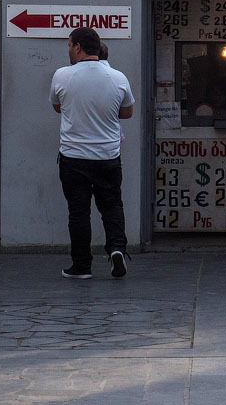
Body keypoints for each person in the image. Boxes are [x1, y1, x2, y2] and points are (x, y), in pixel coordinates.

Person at [50, 27, 135, 279]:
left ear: (77, 47)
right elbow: (127, 112)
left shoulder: (62, 76)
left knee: (78, 212)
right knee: (112, 206)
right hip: (108, 156)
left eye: (69, 45)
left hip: (73, 157)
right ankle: (117, 249)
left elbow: (57, 106)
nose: (68, 49)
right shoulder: (118, 77)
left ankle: (82, 266)